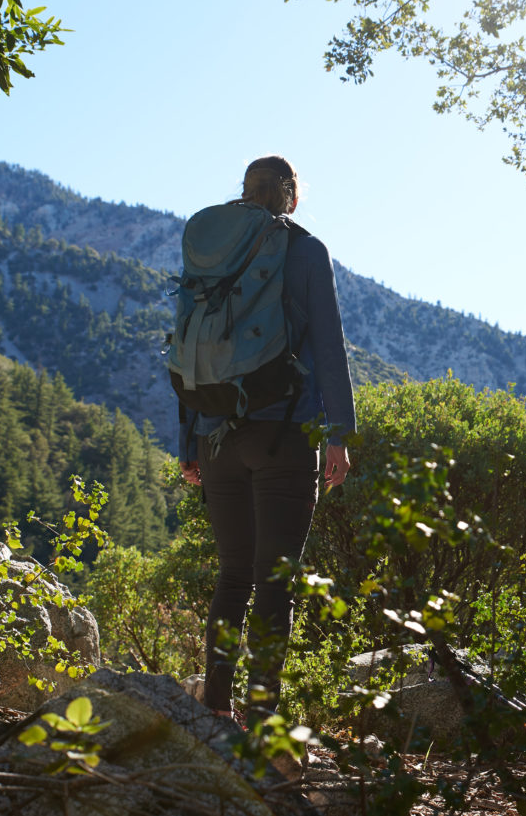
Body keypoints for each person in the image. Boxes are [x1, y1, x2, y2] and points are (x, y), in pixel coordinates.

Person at [179, 155, 355, 723]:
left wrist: (190, 444)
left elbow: (188, 345)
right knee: (274, 580)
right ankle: (261, 717)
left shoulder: (212, 249)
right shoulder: (304, 250)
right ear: (291, 197)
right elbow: (329, 345)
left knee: (233, 575)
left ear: (245, 193)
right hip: (284, 433)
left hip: (215, 435)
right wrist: (339, 434)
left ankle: (216, 708)